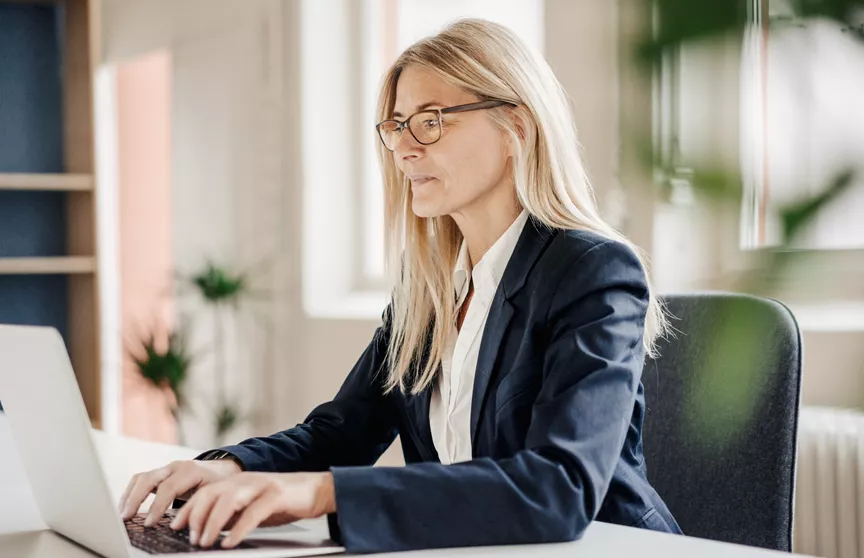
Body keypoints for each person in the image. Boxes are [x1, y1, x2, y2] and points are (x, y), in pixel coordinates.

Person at [118, 18, 682, 553]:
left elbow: (558, 488)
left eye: (431, 120)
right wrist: (227, 468)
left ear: (516, 127)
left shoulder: (594, 272)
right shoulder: (429, 287)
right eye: (396, 125)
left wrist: (319, 494)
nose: (405, 147)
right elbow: (341, 433)